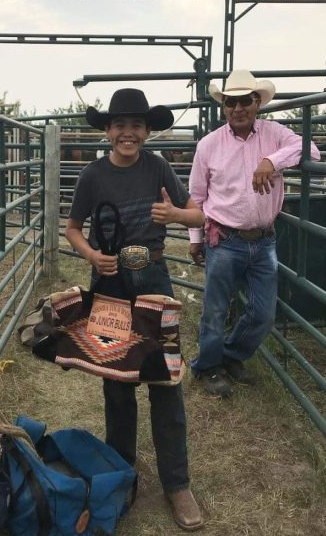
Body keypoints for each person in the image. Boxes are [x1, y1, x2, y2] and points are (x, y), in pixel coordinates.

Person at [65, 87, 206, 532]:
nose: (129, 133)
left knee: (165, 380)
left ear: (147, 131)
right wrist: (91, 255)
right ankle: (123, 474)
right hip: (109, 284)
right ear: (108, 131)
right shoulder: (92, 176)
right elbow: (72, 228)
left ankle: (176, 483)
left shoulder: (158, 166)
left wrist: (174, 216)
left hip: (154, 282)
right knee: (117, 381)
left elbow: (198, 215)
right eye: (120, 125)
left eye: (137, 125)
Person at [187, 70, 321, 397]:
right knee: (216, 308)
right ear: (223, 106)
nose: (237, 108)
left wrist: (270, 161)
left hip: (263, 240)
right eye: (230, 102)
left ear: (256, 103)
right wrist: (195, 239)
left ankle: (230, 355)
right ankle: (208, 366)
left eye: (244, 101)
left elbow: (313, 151)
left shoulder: (274, 135)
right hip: (225, 238)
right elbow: (197, 195)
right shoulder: (209, 145)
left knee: (263, 313)